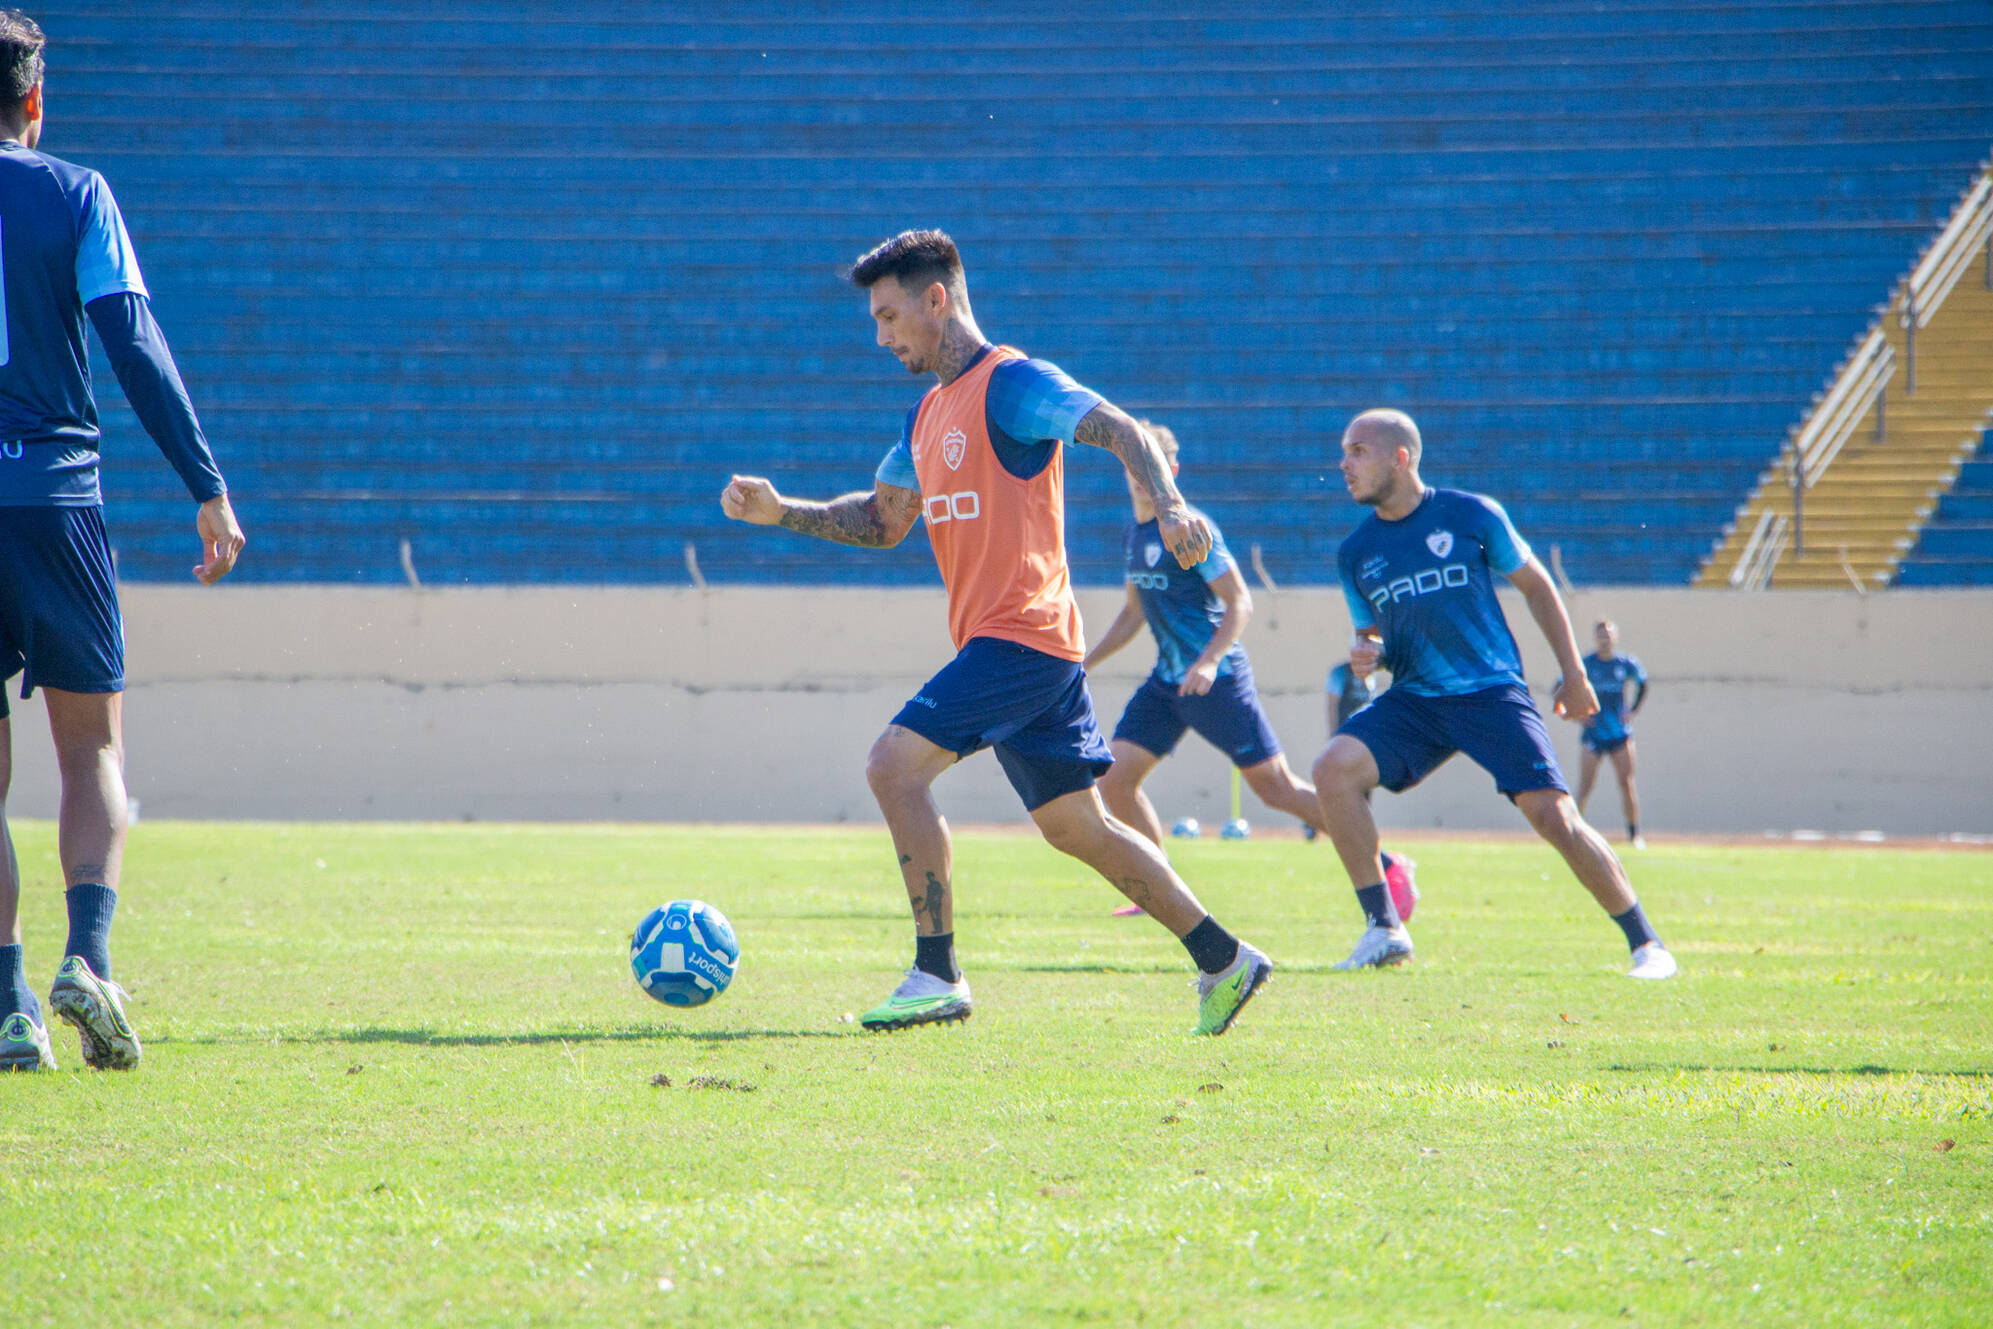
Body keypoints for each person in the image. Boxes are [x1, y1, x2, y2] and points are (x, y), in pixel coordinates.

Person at [720, 229, 1272, 1035]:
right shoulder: (924, 415)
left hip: (1021, 636)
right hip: (1017, 646)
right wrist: (783, 512)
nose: (880, 337)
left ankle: (935, 972)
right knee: (1074, 826)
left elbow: (1121, 427)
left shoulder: (1009, 384)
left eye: (888, 316)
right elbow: (881, 521)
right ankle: (1225, 959)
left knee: (892, 767)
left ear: (936, 299)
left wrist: (1174, 504)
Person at [0, 11, 246, 1072]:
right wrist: (206, 485)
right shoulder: (77, 193)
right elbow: (133, 344)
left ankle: (9, 1000)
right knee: (90, 745)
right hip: (58, 499)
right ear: (36, 101)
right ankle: (86, 962)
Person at [1311, 409, 1674, 980]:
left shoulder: (1471, 514)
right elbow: (1371, 639)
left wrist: (1574, 674)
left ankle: (1647, 944)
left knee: (1555, 818)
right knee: (1333, 770)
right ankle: (1383, 928)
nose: (1344, 464)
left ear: (1400, 458)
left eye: (1357, 451)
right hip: (1417, 699)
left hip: (1491, 694)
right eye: (1344, 452)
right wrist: (1369, 655)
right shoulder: (1354, 553)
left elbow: (1536, 585)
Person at [1083, 420, 1333, 874]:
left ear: (1171, 471)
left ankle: (1386, 862)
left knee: (1275, 789)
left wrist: (1210, 660)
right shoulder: (1134, 536)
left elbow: (1240, 601)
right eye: (1133, 465)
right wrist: (1082, 664)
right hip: (1168, 683)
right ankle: (1161, 888)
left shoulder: (1191, 528)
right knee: (1115, 781)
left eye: (1151, 466)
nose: (1140, 477)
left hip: (1214, 681)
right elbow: (1133, 613)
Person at [1563, 620, 1648, 850]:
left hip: (1620, 734)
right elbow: (1561, 686)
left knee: (1626, 783)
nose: (1605, 639)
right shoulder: (1587, 664)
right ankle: (1574, 833)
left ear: (1615, 637)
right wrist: (1578, 715)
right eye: (1601, 635)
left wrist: (1633, 710)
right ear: (1596, 638)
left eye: (1609, 635)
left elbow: (1643, 682)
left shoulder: (1625, 663)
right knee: (1585, 785)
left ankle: (1634, 834)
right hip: (1593, 734)